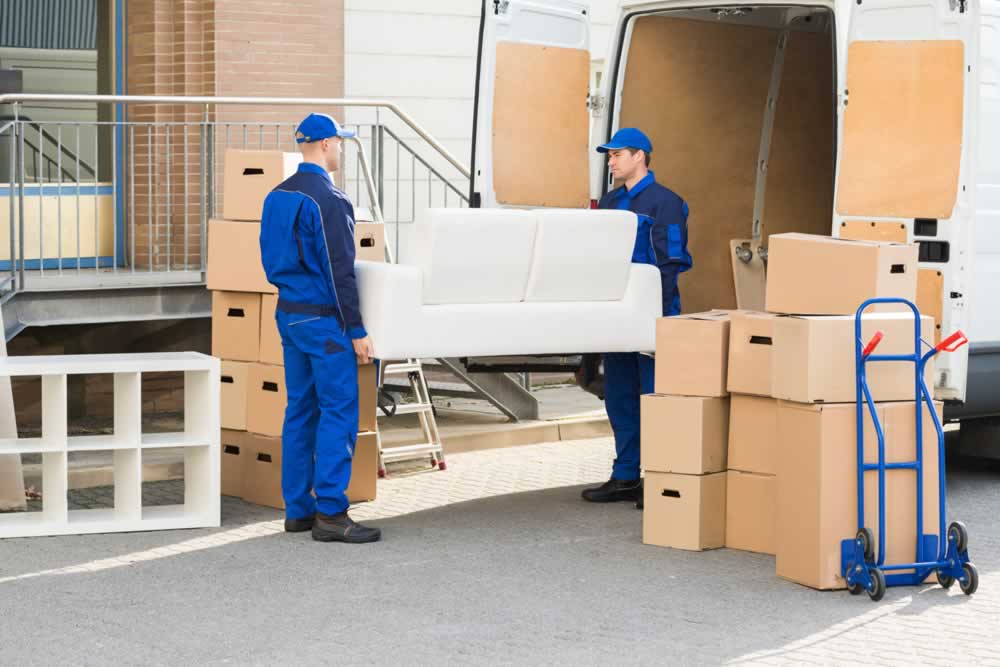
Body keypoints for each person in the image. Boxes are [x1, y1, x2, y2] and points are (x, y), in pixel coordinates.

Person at [259, 112, 381, 543]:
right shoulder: (329, 199)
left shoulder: (275, 196)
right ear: (327, 144)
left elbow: (268, 259)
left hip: (288, 314)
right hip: (324, 320)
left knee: (300, 410)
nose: (342, 149)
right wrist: (357, 330)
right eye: (341, 142)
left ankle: (298, 509)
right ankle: (331, 511)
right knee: (339, 410)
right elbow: (340, 271)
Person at [581, 128, 693, 506]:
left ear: (640, 156)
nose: (610, 161)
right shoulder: (611, 202)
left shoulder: (667, 203)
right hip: (616, 317)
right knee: (619, 398)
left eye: (616, 154)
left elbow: (671, 263)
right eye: (609, 155)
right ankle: (626, 476)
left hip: (651, 317)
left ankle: (659, 478)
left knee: (653, 398)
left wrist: (654, 319)